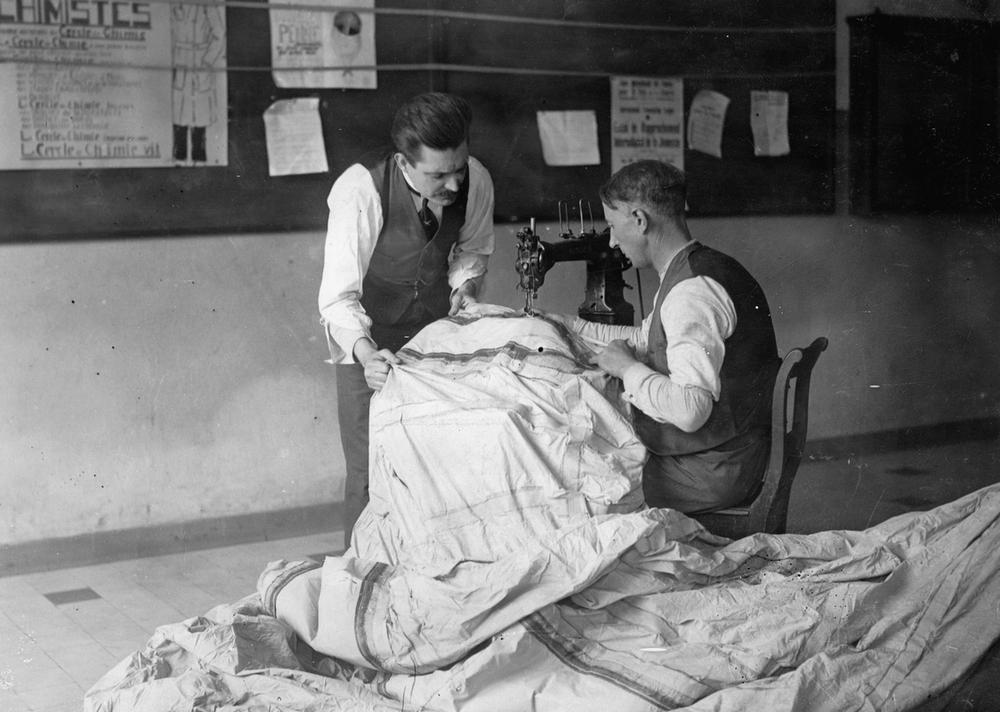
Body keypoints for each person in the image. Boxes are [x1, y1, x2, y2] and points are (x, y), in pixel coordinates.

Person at [549, 160, 779, 513]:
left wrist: (627, 369)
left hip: (713, 473)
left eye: (613, 226)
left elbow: (690, 411)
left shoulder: (691, 294)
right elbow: (646, 337)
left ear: (639, 220)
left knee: (576, 478)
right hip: (724, 455)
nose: (611, 240)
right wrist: (564, 324)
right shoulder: (697, 267)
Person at [318, 92, 495, 544]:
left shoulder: (476, 179)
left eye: (458, 169)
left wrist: (465, 289)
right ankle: (365, 571)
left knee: (441, 462)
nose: (454, 184)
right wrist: (366, 354)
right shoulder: (360, 190)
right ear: (403, 163)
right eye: (438, 175)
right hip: (368, 339)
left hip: (433, 333)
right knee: (370, 470)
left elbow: (472, 249)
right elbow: (337, 297)